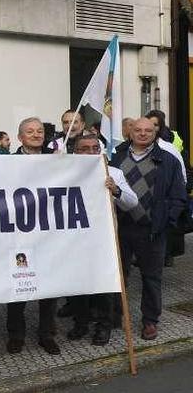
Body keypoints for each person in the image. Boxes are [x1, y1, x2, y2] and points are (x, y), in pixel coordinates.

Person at [110, 118, 186, 340]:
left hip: (152, 230)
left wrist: (166, 222)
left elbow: (178, 197)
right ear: (129, 132)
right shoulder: (117, 157)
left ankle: (150, 321)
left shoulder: (168, 160)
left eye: (148, 131)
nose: (143, 134)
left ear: (155, 133)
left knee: (151, 277)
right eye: (138, 130)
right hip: (121, 228)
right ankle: (116, 315)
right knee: (119, 275)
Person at [67, 134, 138, 345]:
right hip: (74, 241)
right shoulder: (65, 172)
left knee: (104, 286)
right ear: (75, 152)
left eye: (94, 148)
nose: (90, 152)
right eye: (85, 148)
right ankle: (80, 323)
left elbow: (132, 202)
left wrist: (116, 190)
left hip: (103, 241)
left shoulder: (113, 172)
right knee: (78, 286)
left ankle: (104, 326)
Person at [5, 118, 60, 355]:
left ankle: (46, 334)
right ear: (20, 137)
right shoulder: (7, 163)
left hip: (49, 234)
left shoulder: (58, 160)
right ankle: (16, 335)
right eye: (30, 131)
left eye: (39, 131)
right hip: (19, 235)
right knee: (18, 286)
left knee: (48, 288)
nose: (36, 135)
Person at [144, 110, 188, 268]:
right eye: (149, 124)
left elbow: (181, 177)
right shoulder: (134, 148)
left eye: (155, 125)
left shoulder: (169, 149)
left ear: (160, 127)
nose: (151, 129)